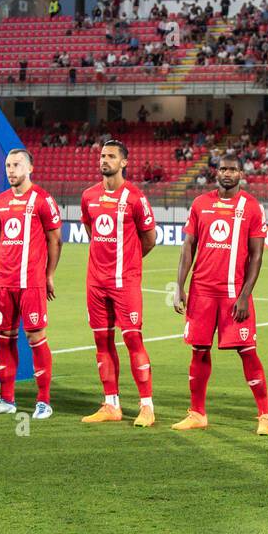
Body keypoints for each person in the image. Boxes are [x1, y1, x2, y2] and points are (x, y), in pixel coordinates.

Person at [171, 153, 268, 434]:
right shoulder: (201, 203)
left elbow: (257, 255)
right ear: (216, 172)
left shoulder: (251, 207)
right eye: (223, 168)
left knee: (247, 352)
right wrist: (180, 286)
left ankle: (264, 415)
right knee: (199, 351)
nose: (227, 173)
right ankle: (197, 413)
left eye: (233, 169)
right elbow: (188, 246)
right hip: (201, 293)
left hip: (232, 294)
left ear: (241, 173)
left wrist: (244, 295)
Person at [80, 138, 158, 427]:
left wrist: (130, 263)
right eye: (102, 155)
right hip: (95, 282)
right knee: (101, 340)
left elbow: (149, 239)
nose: (104, 160)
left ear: (124, 162)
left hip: (125, 282)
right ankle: (111, 403)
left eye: (111, 156)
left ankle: (146, 406)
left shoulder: (136, 198)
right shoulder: (88, 196)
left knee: (132, 339)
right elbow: (90, 229)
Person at [0, 149, 62, 419]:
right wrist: (7, 263)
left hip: (32, 282)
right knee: (4, 338)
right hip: (4, 283)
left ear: (30, 169)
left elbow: (55, 240)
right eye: (8, 165)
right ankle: (6, 399)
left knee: (35, 337)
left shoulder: (42, 199)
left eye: (16, 165)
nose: (11, 170)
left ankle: (44, 401)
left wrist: (48, 275)